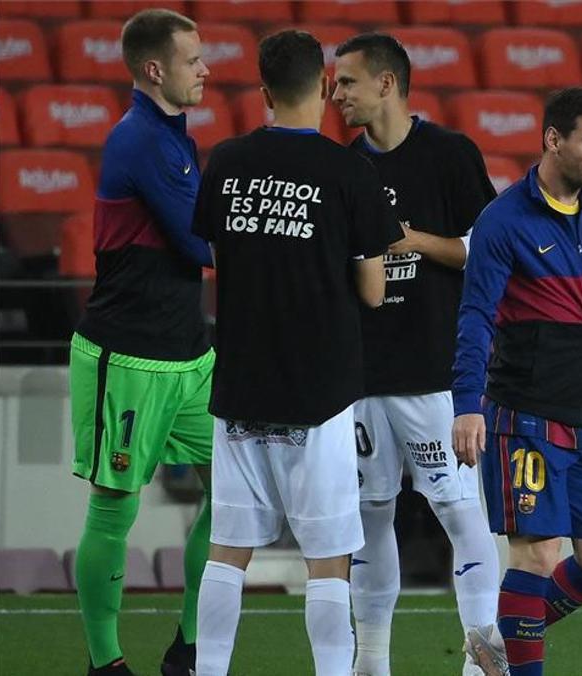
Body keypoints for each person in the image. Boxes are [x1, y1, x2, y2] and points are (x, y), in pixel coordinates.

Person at [189, 29, 397, 676]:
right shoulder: (348, 171)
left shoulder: (223, 160)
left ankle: (210, 670)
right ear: (328, 89)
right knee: (327, 557)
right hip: (320, 389)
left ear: (263, 91)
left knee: (228, 549)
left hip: (242, 383)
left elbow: (218, 261)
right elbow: (372, 291)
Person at [331, 32, 501, 676]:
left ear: (386, 83)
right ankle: (371, 660)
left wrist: (406, 240)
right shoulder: (345, 165)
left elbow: (484, 250)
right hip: (364, 372)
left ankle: (482, 658)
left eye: (347, 81)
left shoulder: (450, 154)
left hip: (435, 369)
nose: (337, 94)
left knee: (459, 510)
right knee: (370, 513)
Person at [452, 87, 582, 676]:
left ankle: (499, 646)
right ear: (553, 138)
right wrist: (467, 405)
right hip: (524, 412)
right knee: (536, 553)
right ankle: (518, 661)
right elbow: (475, 316)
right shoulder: (503, 220)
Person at [68, 8, 212, 675]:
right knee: (114, 511)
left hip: (190, 355)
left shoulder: (173, 136)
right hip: (128, 357)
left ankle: (188, 647)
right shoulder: (142, 140)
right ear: (155, 69)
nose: (206, 69)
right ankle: (107, 663)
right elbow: (197, 243)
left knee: (239, 493)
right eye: (193, 59)